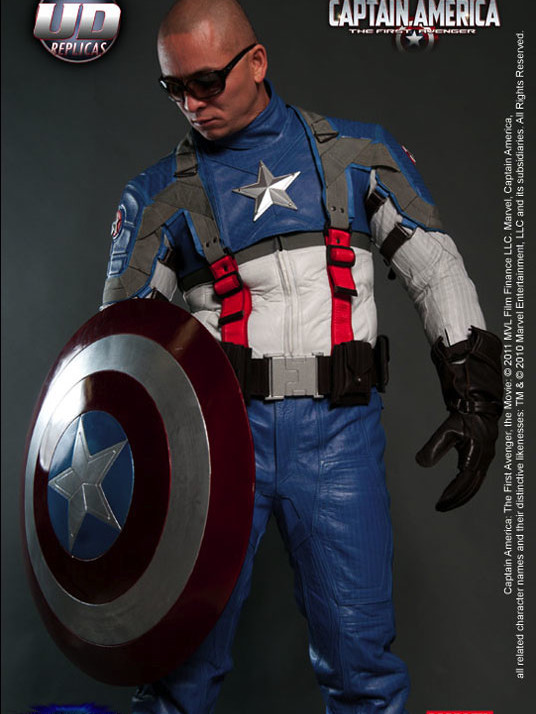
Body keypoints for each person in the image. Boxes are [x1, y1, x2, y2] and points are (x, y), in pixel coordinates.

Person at [102, 0, 503, 711]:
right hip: (221, 448)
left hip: (340, 435)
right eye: (174, 88)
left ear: (256, 62)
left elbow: (436, 269)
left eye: (206, 82)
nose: (192, 104)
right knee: (178, 674)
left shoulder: (360, 155)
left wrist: (475, 394)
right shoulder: (158, 196)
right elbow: (116, 348)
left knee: (362, 670)